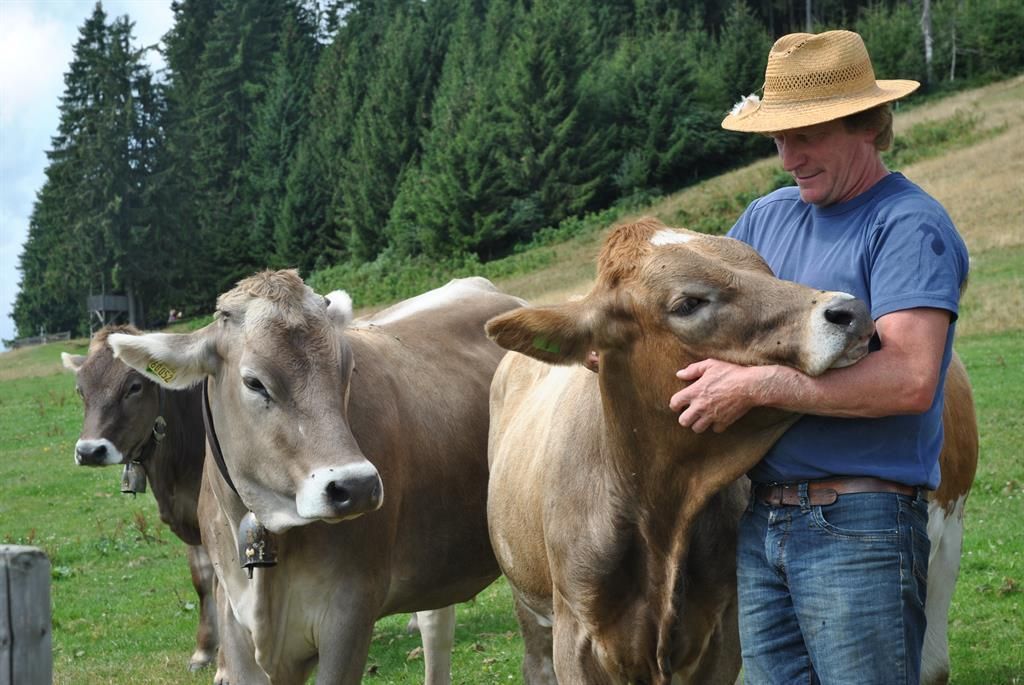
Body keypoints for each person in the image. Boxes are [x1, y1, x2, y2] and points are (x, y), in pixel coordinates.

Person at [667, 30, 969, 684]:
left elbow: (911, 379)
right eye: (779, 138)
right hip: (761, 522)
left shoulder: (908, 225)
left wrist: (756, 387)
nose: (787, 158)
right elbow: (691, 315)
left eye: (804, 136)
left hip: (861, 526)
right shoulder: (765, 220)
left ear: (867, 125)